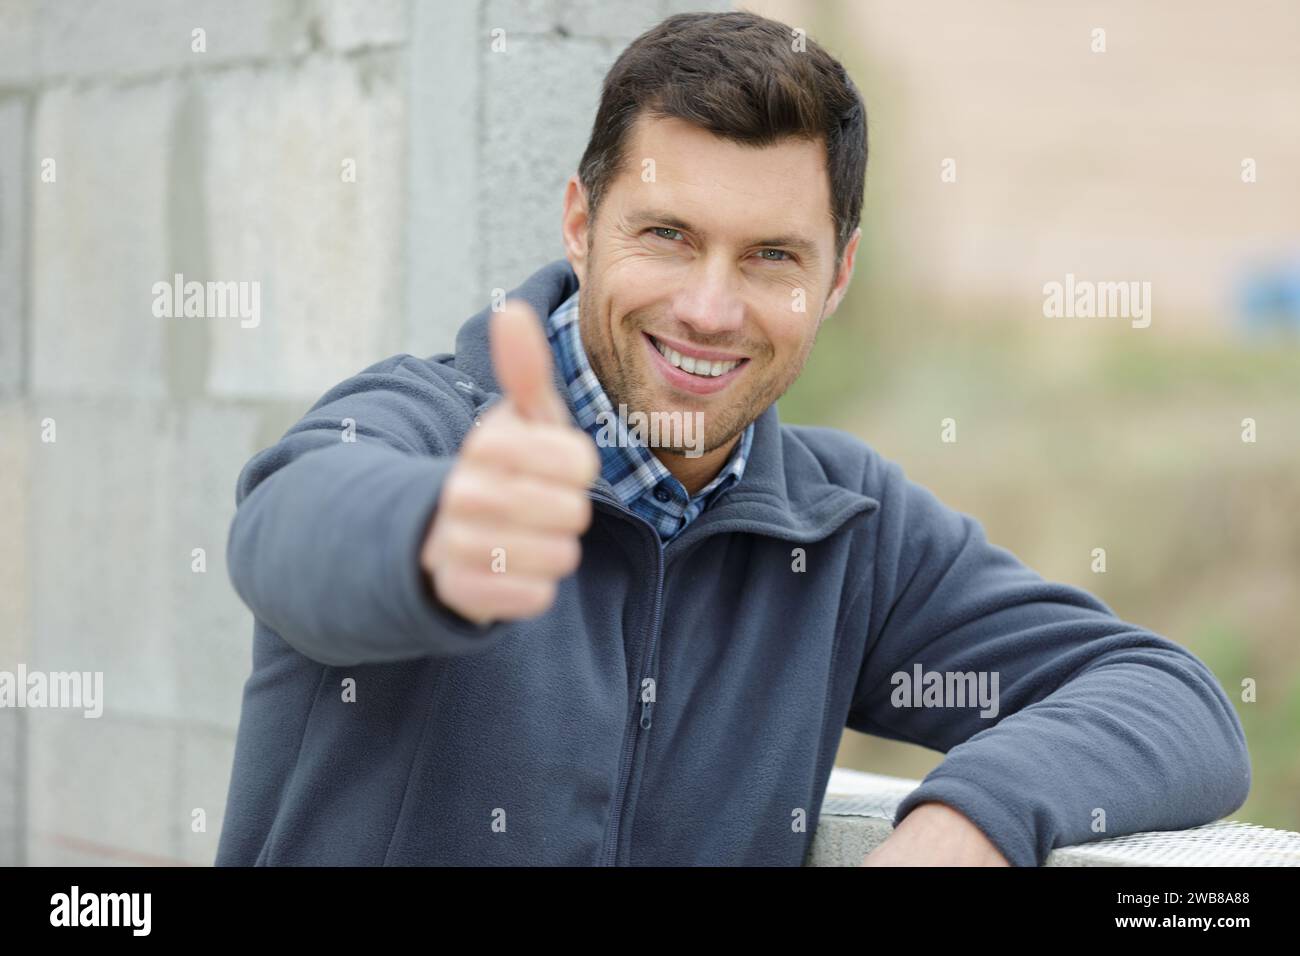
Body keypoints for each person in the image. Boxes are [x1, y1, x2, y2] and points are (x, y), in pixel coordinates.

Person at [215, 10, 1250, 866]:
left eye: (769, 256)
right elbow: (286, 534)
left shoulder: (845, 527)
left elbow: (1172, 699)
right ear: (581, 223)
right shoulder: (422, 429)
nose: (711, 308)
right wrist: (436, 537)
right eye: (667, 236)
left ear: (836, 276)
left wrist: (970, 815)